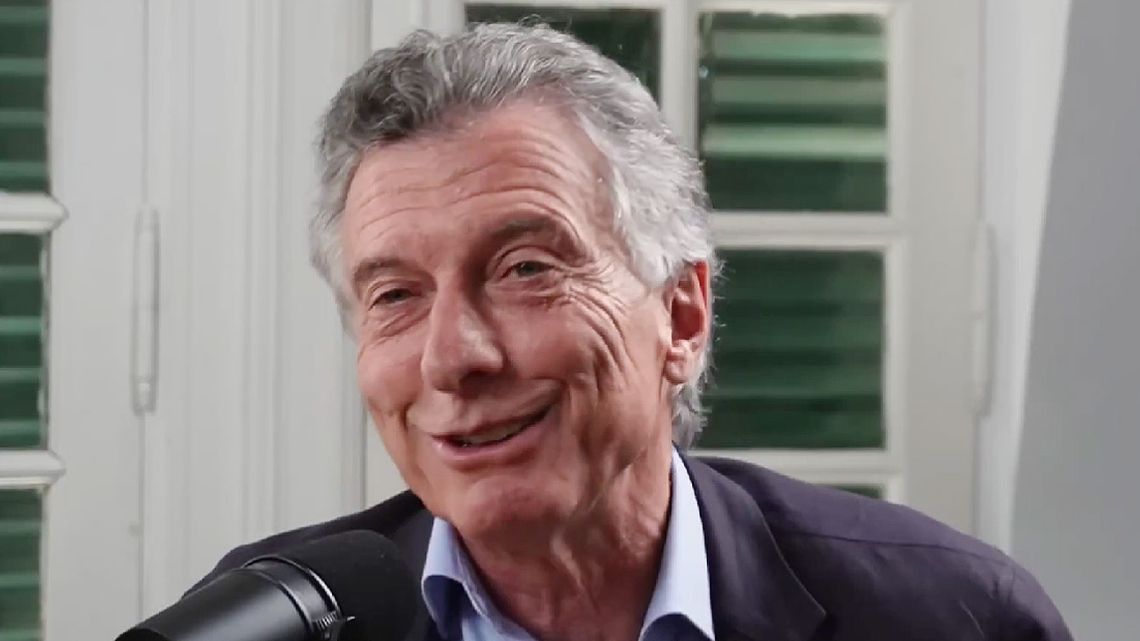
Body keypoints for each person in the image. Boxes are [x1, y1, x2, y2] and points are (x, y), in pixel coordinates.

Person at [196, 24, 1072, 641]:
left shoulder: (952, 615)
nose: (452, 357)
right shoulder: (262, 619)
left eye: (525, 269)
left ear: (682, 314)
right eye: (395, 295)